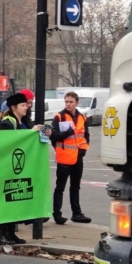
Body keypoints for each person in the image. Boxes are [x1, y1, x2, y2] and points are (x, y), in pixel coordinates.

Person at [0, 93, 44, 245]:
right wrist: (30, 133)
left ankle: (11, 233)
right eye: (23, 105)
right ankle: (3, 235)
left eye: (26, 105)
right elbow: (9, 142)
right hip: (9, 168)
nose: (26, 107)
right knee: (7, 201)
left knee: (15, 200)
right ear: (13, 107)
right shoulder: (7, 122)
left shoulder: (23, 121)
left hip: (19, 168)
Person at [50, 91, 92, 225]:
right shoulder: (59, 117)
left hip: (78, 157)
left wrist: (83, 150)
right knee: (60, 187)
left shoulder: (82, 117)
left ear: (76, 103)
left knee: (75, 186)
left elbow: (86, 135)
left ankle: (77, 213)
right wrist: (67, 133)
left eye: (71, 102)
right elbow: (53, 136)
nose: (68, 104)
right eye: (66, 102)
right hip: (64, 158)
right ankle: (57, 214)